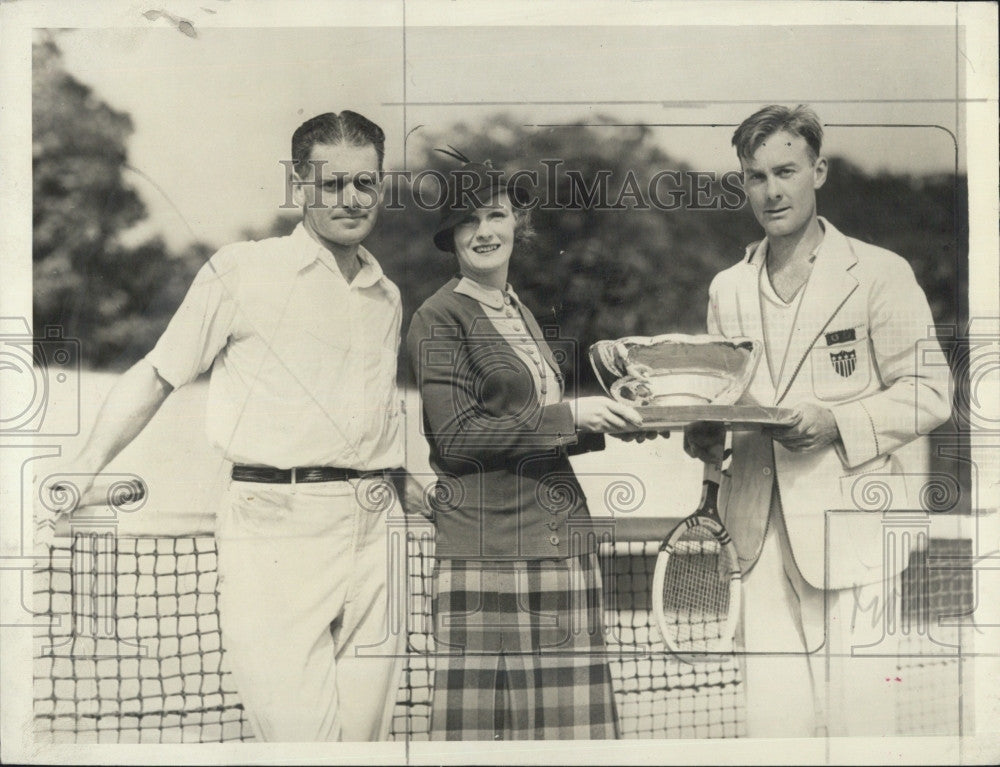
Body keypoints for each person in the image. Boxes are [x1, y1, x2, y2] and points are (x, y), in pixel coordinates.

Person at [38, 111, 406, 741]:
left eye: (365, 183)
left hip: (377, 533)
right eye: (332, 183)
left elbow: (377, 425)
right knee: (303, 747)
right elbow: (156, 375)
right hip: (273, 529)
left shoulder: (386, 294)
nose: (351, 199)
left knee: (364, 747)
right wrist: (79, 470)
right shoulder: (242, 270)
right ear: (299, 185)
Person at [683, 104, 953, 737]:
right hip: (755, 537)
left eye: (786, 171)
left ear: (818, 171)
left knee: (863, 732)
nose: (772, 191)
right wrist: (703, 434)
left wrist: (836, 422)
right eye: (755, 177)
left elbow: (930, 392)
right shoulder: (727, 288)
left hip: (851, 539)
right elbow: (725, 406)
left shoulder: (880, 273)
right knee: (774, 734)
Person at [406, 156, 647, 740]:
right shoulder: (438, 317)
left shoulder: (518, 312)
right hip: (487, 553)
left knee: (570, 739)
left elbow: (534, 431)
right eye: (469, 221)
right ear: (451, 236)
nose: (485, 231)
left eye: (496, 215)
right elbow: (457, 437)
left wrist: (605, 424)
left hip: (561, 542)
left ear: (518, 224)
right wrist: (572, 413)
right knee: (484, 738)